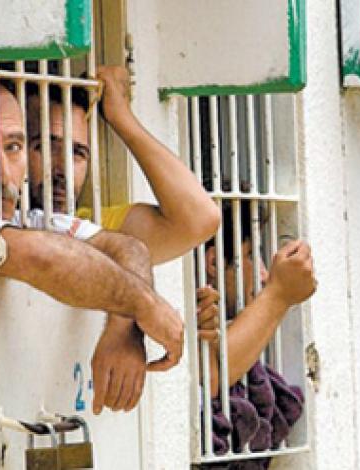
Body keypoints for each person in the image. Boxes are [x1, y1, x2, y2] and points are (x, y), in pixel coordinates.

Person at [24, 65, 221, 414]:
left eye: (78, 153)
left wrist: (121, 117)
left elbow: (199, 218)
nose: (63, 169)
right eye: (44, 147)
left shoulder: (92, 225)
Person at [0, 80, 185, 378]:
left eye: (13, 147)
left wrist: (123, 327)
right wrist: (144, 305)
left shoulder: (33, 219)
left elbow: (129, 247)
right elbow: (43, 257)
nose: (0, 171)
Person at [195, 201, 316, 468]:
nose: (263, 274)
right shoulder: (191, 314)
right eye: (251, 255)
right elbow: (215, 378)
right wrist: (279, 294)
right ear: (213, 262)